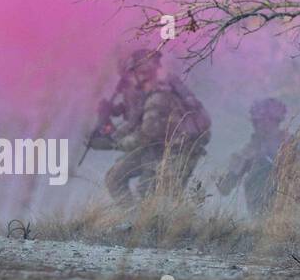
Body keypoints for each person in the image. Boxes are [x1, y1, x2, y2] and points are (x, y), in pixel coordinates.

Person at [88, 48, 211, 205]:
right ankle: (133, 220)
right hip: (157, 148)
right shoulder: (149, 94)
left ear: (143, 74)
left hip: (176, 151)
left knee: (154, 196)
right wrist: (111, 133)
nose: (128, 79)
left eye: (131, 74)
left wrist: (113, 143)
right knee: (116, 178)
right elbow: (137, 122)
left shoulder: (158, 97)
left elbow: (145, 134)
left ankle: (155, 225)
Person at [219, 97, 295, 215]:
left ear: (276, 121)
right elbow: (225, 187)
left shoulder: (294, 144)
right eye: (259, 121)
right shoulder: (251, 149)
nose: (262, 125)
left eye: (267, 121)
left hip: (291, 209)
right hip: (261, 213)